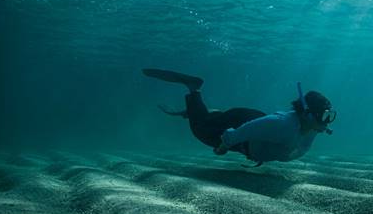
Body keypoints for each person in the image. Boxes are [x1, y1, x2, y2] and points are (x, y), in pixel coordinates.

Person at [143, 68, 336, 166]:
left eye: (329, 116)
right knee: (200, 131)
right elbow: (241, 132)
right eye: (324, 116)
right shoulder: (282, 125)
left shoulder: (310, 128)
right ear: (308, 114)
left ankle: (204, 112)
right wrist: (223, 146)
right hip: (243, 125)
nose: (326, 122)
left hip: (251, 121)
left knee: (214, 120)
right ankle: (194, 89)